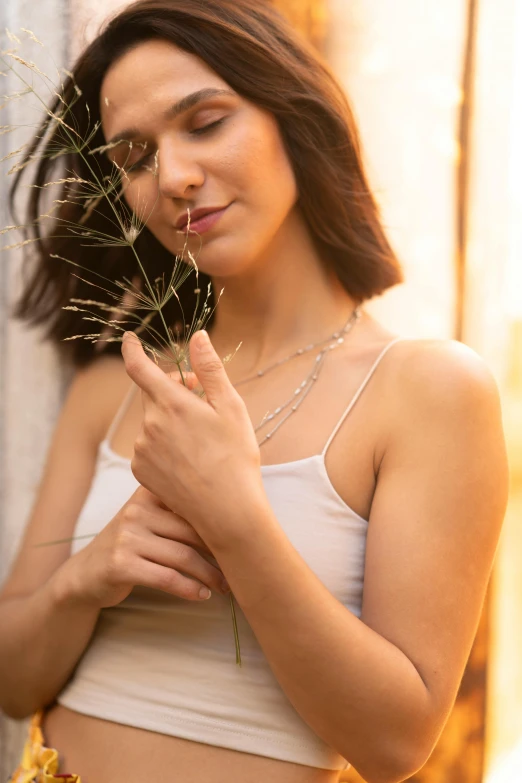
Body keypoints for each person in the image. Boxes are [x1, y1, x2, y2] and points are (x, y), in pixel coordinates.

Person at [0, 1, 509, 782]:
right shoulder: (116, 387)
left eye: (205, 122)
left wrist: (233, 517)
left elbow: (396, 743)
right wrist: (86, 577)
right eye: (135, 156)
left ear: (292, 117)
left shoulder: (429, 389)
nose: (173, 177)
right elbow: (12, 680)